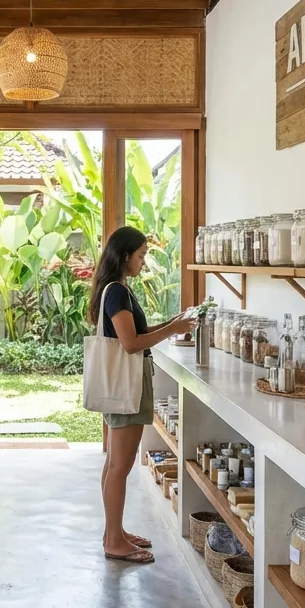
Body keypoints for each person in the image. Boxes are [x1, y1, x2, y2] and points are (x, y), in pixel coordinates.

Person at [88, 226, 195, 565]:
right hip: (126, 388)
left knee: (114, 465)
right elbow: (131, 344)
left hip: (120, 386)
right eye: (141, 256)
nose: (144, 262)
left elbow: (135, 331)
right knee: (120, 466)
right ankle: (114, 540)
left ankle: (114, 532)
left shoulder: (116, 289)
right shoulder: (117, 291)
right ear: (124, 256)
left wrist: (171, 323)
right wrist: (172, 331)